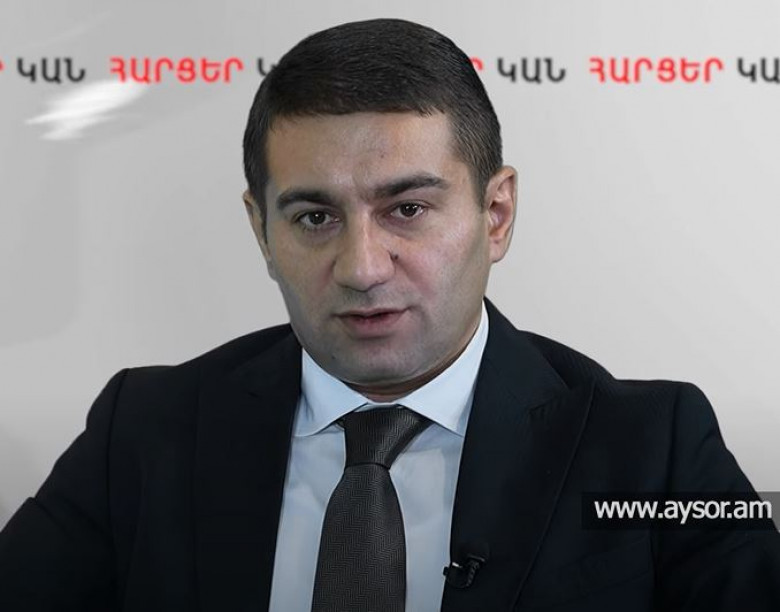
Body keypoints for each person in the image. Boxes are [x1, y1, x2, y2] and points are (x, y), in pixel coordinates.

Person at [1, 17, 779, 612]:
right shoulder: (143, 429)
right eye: (314, 218)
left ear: (496, 214)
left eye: (407, 208)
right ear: (262, 231)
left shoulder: (654, 446)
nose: (363, 267)